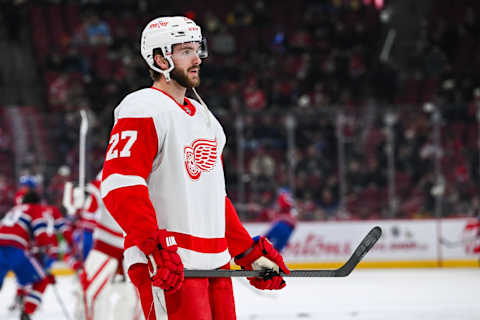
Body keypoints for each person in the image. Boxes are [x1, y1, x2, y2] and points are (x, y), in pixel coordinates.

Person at [101, 16, 289, 320]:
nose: (197, 58)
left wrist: (247, 253)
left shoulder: (207, 120)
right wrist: (153, 246)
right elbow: (119, 185)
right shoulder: (142, 107)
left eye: (197, 49)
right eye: (186, 50)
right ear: (160, 58)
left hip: (215, 264)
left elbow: (214, 199)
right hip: (170, 264)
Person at [75, 172, 142, 320]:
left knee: (133, 299)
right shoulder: (106, 177)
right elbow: (88, 217)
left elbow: (87, 219)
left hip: (130, 248)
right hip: (111, 246)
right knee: (92, 294)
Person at [0, 190, 56, 320]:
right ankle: (27, 312)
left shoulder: (15, 209)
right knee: (42, 280)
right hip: (15, 247)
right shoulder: (36, 209)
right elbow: (41, 235)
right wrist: (45, 249)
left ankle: (21, 298)